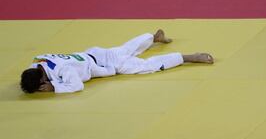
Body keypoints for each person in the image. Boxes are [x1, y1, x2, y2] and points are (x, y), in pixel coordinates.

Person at [20, 29, 214, 93]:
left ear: (42, 81)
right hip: (94, 53)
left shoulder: (63, 71)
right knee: (125, 49)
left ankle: (189, 57)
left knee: (146, 67)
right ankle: (152, 37)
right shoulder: (38, 61)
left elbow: (77, 86)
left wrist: (55, 87)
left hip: (106, 65)